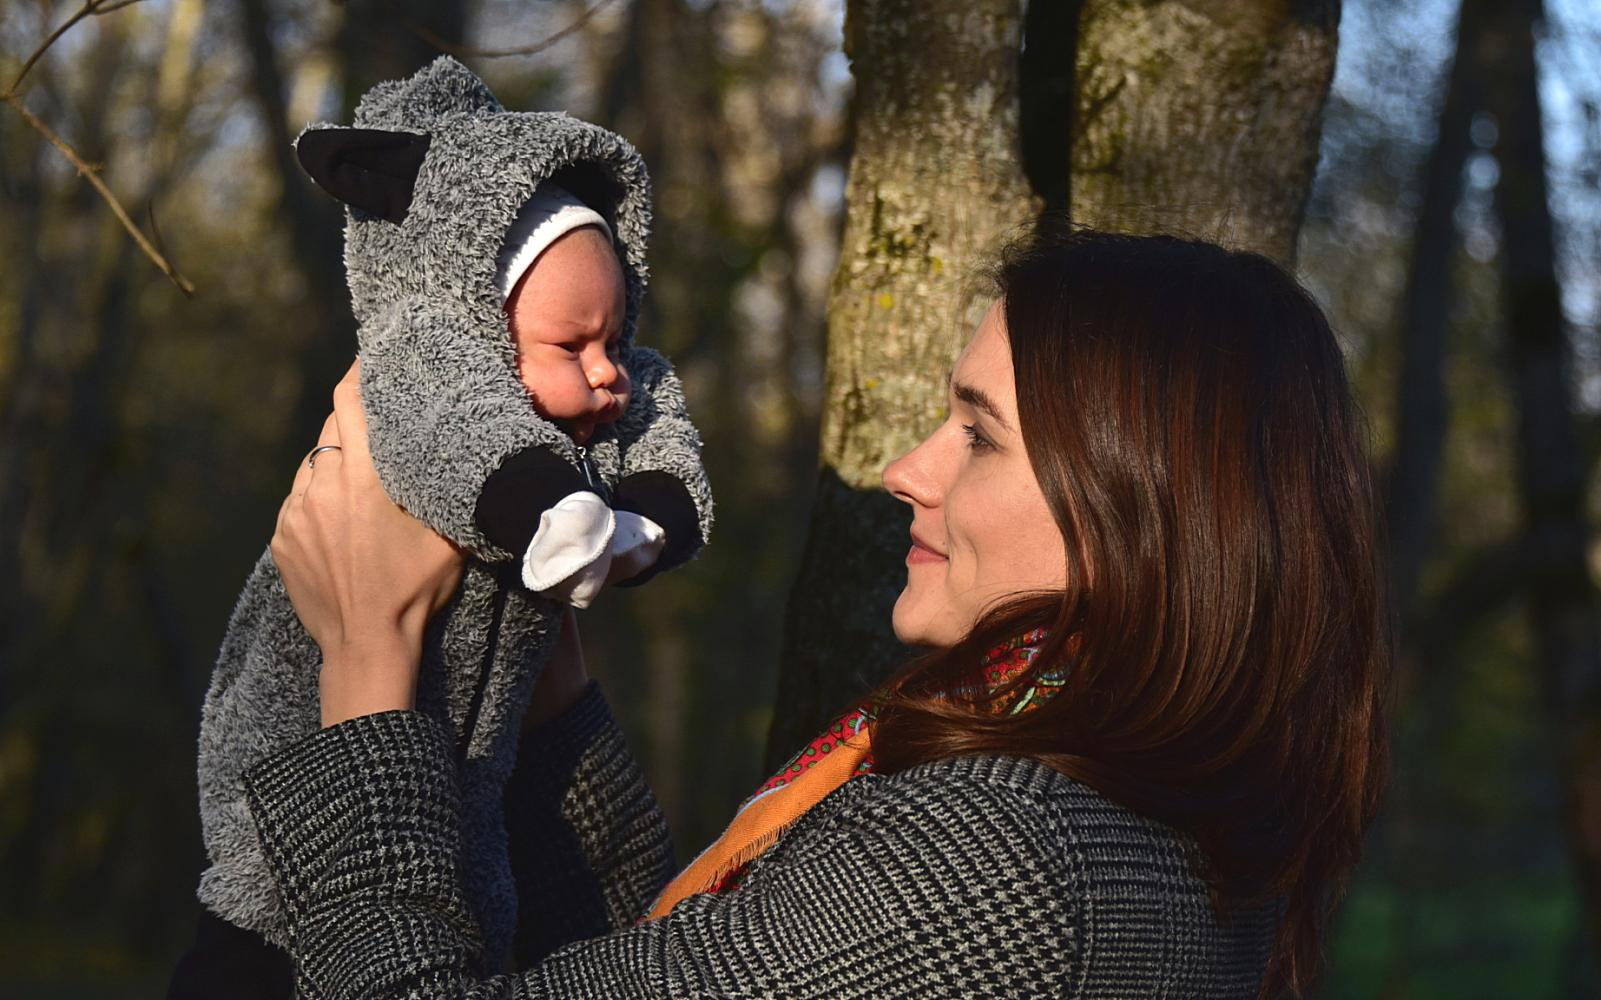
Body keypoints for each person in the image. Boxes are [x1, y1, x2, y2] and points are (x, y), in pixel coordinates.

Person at [249, 225, 1391, 999]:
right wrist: (555, 707)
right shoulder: (1142, 804)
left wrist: (366, 667)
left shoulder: (999, 858)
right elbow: (704, 965)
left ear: (1135, 504)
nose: (907, 468)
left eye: (979, 433)